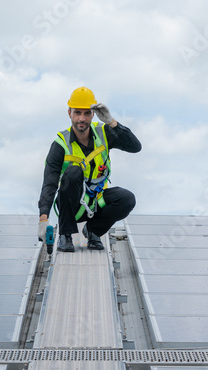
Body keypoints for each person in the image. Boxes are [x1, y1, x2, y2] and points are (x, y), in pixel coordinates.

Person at [37, 86, 141, 252]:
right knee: (73, 172)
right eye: (77, 112)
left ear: (93, 114)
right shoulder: (60, 144)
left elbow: (135, 147)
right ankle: (65, 235)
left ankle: (93, 231)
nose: (82, 119)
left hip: (96, 202)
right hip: (72, 206)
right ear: (69, 113)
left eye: (86, 113)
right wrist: (43, 219)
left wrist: (111, 122)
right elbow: (49, 184)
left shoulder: (104, 133)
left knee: (127, 199)